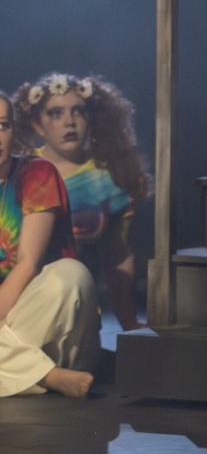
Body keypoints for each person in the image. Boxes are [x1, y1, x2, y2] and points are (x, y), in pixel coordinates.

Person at [10, 73, 148, 332]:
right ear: (38, 125)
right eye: (56, 113)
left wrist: (129, 322)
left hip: (74, 308)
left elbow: (116, 256)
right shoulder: (18, 171)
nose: (69, 122)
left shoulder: (107, 180)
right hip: (15, 301)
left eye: (78, 111)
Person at [0, 94, 100, 399]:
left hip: (51, 325)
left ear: (13, 130)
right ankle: (47, 376)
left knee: (70, 275)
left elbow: (28, 263)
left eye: (2, 126)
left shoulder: (36, 173)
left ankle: (22, 368)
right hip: (12, 336)